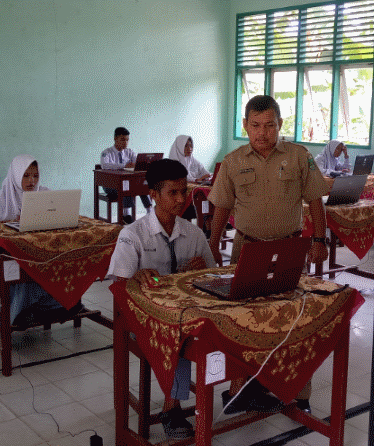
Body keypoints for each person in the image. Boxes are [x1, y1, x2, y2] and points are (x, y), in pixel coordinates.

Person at [207, 95, 330, 414]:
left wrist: (319, 238)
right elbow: (221, 206)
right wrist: (212, 244)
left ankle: (298, 395)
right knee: (243, 320)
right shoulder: (233, 161)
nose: (262, 133)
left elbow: (315, 198)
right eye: (256, 126)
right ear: (245, 126)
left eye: (270, 126)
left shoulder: (299, 156)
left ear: (280, 125)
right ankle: (241, 391)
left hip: (289, 248)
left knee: (294, 318)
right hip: (246, 248)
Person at [108, 158, 215, 440]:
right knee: (178, 333)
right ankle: (172, 408)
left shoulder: (192, 234)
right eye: (173, 193)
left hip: (183, 312)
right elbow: (120, 284)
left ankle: (237, 387)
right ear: (153, 195)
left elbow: (213, 276)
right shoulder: (132, 235)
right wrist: (135, 276)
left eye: (184, 191)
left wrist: (202, 271)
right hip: (145, 317)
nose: (181, 199)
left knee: (215, 326)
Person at [0, 155, 72, 328]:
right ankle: (24, 313)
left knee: (57, 262)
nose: (32, 181)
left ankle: (26, 312)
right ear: (15, 175)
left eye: (35, 176)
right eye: (26, 175)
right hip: (10, 255)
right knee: (17, 267)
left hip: (39, 253)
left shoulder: (45, 195)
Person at [99, 127, 152, 223]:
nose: (125, 143)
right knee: (126, 186)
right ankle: (126, 214)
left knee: (142, 185)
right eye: (122, 140)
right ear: (115, 138)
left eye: (127, 140)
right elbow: (105, 165)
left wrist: (140, 164)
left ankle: (150, 211)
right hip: (110, 185)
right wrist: (124, 165)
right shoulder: (106, 153)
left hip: (127, 184)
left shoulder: (129, 152)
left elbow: (137, 163)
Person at [168, 134, 210, 220]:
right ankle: (205, 221)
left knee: (209, 195)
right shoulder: (173, 161)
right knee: (201, 195)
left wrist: (209, 176)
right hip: (180, 197)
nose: (189, 148)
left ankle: (209, 221)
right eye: (186, 146)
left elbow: (203, 171)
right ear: (180, 146)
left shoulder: (192, 159)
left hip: (192, 188)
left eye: (191, 145)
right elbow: (181, 177)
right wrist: (197, 179)